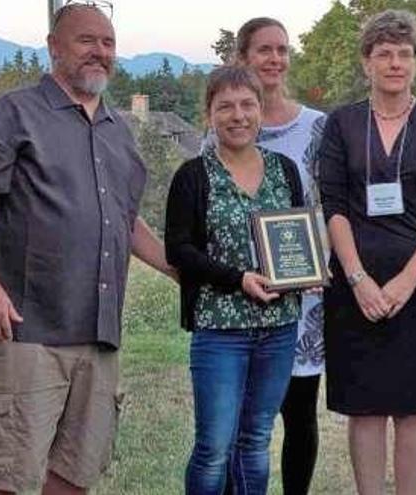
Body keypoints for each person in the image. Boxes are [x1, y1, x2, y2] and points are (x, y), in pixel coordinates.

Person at [0, 4, 174, 494]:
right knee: (2, 473)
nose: (100, 53)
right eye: (87, 41)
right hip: (27, 330)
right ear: (54, 47)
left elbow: (126, 220)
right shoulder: (11, 114)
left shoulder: (117, 132)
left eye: (108, 44)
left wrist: (178, 267)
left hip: (98, 333)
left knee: (73, 474)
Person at [319, 9, 416, 495]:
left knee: (414, 405)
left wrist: (407, 280)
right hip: (355, 288)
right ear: (367, 63)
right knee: (364, 405)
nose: (395, 63)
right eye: (384, 54)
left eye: (404, 54)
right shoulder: (341, 124)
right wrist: (358, 278)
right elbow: (333, 203)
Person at [165, 66, 305, 495]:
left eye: (247, 104)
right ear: (209, 114)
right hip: (219, 331)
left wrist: (306, 274)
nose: (238, 115)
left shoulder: (285, 170)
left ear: (261, 111)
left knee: (256, 442)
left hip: (279, 329)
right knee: (214, 447)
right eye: (225, 106)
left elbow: (296, 235)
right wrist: (237, 278)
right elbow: (180, 251)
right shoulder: (193, 176)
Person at [233, 17, 326, 495]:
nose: (274, 59)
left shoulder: (317, 128)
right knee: (246, 418)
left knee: (299, 415)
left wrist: (320, 263)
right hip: (243, 293)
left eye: (282, 50)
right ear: (243, 58)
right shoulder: (227, 126)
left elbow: (332, 204)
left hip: (303, 294)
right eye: (264, 50)